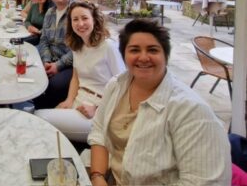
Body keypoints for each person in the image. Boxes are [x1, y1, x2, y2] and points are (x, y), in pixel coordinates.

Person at [88, 19, 231, 185]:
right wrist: (97, 177)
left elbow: (203, 182)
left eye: (153, 50)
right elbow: (99, 132)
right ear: (124, 55)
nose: (143, 57)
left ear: (166, 55)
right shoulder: (116, 86)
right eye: (134, 50)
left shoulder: (191, 111)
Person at [35, 2, 125, 142]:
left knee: (39, 118)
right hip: (79, 100)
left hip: (99, 111)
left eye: (84, 18)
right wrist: (69, 100)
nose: (80, 23)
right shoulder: (78, 45)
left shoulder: (108, 46)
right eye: (75, 19)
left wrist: (97, 109)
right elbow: (76, 78)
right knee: (41, 117)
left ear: (94, 19)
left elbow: (123, 86)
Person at [34, 0, 75, 109]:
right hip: (50, 58)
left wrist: (58, 65)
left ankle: (49, 116)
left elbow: (80, 48)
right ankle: (38, 112)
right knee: (31, 75)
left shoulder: (77, 11)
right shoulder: (50, 12)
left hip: (71, 64)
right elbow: (44, 39)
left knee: (53, 85)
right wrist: (46, 61)